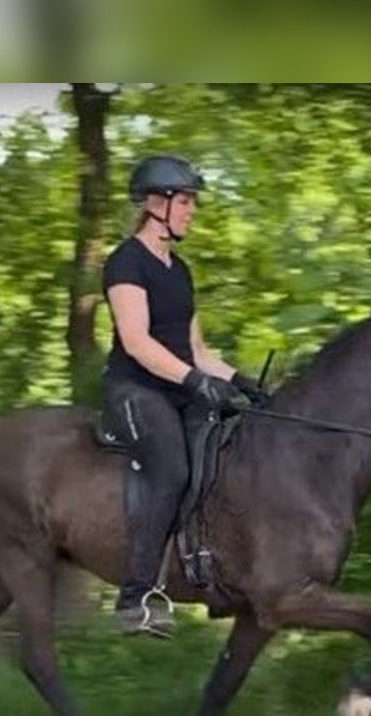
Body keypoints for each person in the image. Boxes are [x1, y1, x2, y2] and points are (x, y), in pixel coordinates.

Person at [101, 154, 269, 637]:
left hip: (178, 387)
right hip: (135, 390)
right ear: (158, 203)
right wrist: (196, 383)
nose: (193, 210)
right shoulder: (125, 263)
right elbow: (137, 342)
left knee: (226, 456)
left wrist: (242, 381)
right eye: (187, 200)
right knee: (172, 469)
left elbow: (196, 349)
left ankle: (208, 570)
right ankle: (135, 599)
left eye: (192, 201)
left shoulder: (181, 269)